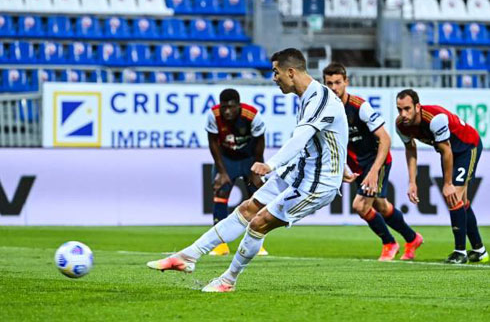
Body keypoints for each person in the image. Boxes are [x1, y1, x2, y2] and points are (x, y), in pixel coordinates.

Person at [147, 48, 349, 292]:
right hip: (302, 171)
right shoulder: (309, 96)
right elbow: (329, 137)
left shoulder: (320, 99)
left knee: (258, 223)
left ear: (291, 72)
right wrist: (343, 164)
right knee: (247, 208)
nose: (274, 78)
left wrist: (271, 164)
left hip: (318, 184)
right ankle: (187, 256)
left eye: (276, 72)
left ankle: (228, 281)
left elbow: (301, 137)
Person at [323, 63, 423, 261]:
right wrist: (342, 167)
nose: (334, 88)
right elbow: (334, 143)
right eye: (329, 83)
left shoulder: (360, 107)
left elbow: (385, 138)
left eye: (338, 82)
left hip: (379, 160)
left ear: (346, 82)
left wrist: (374, 171)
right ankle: (412, 238)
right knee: (382, 206)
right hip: (358, 165)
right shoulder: (327, 111)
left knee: (360, 206)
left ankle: (389, 243)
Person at [396, 89, 488, 264]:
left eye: (407, 109)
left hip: (468, 147)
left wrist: (447, 183)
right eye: (399, 109)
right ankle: (479, 250)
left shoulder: (435, 119)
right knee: (462, 201)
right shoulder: (401, 125)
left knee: (454, 197)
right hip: (451, 153)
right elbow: (410, 150)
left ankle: (460, 252)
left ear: (417, 106)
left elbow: (446, 150)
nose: (403, 114)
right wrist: (412, 182)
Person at [205, 88, 268, 256]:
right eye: (224, 106)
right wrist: (221, 171)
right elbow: (213, 143)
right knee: (220, 191)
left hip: (249, 158)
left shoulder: (252, 115)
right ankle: (220, 245)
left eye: (231, 107)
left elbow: (260, 142)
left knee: (257, 197)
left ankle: (256, 243)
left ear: (238, 106)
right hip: (227, 158)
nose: (227, 111)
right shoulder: (213, 115)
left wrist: (256, 169)